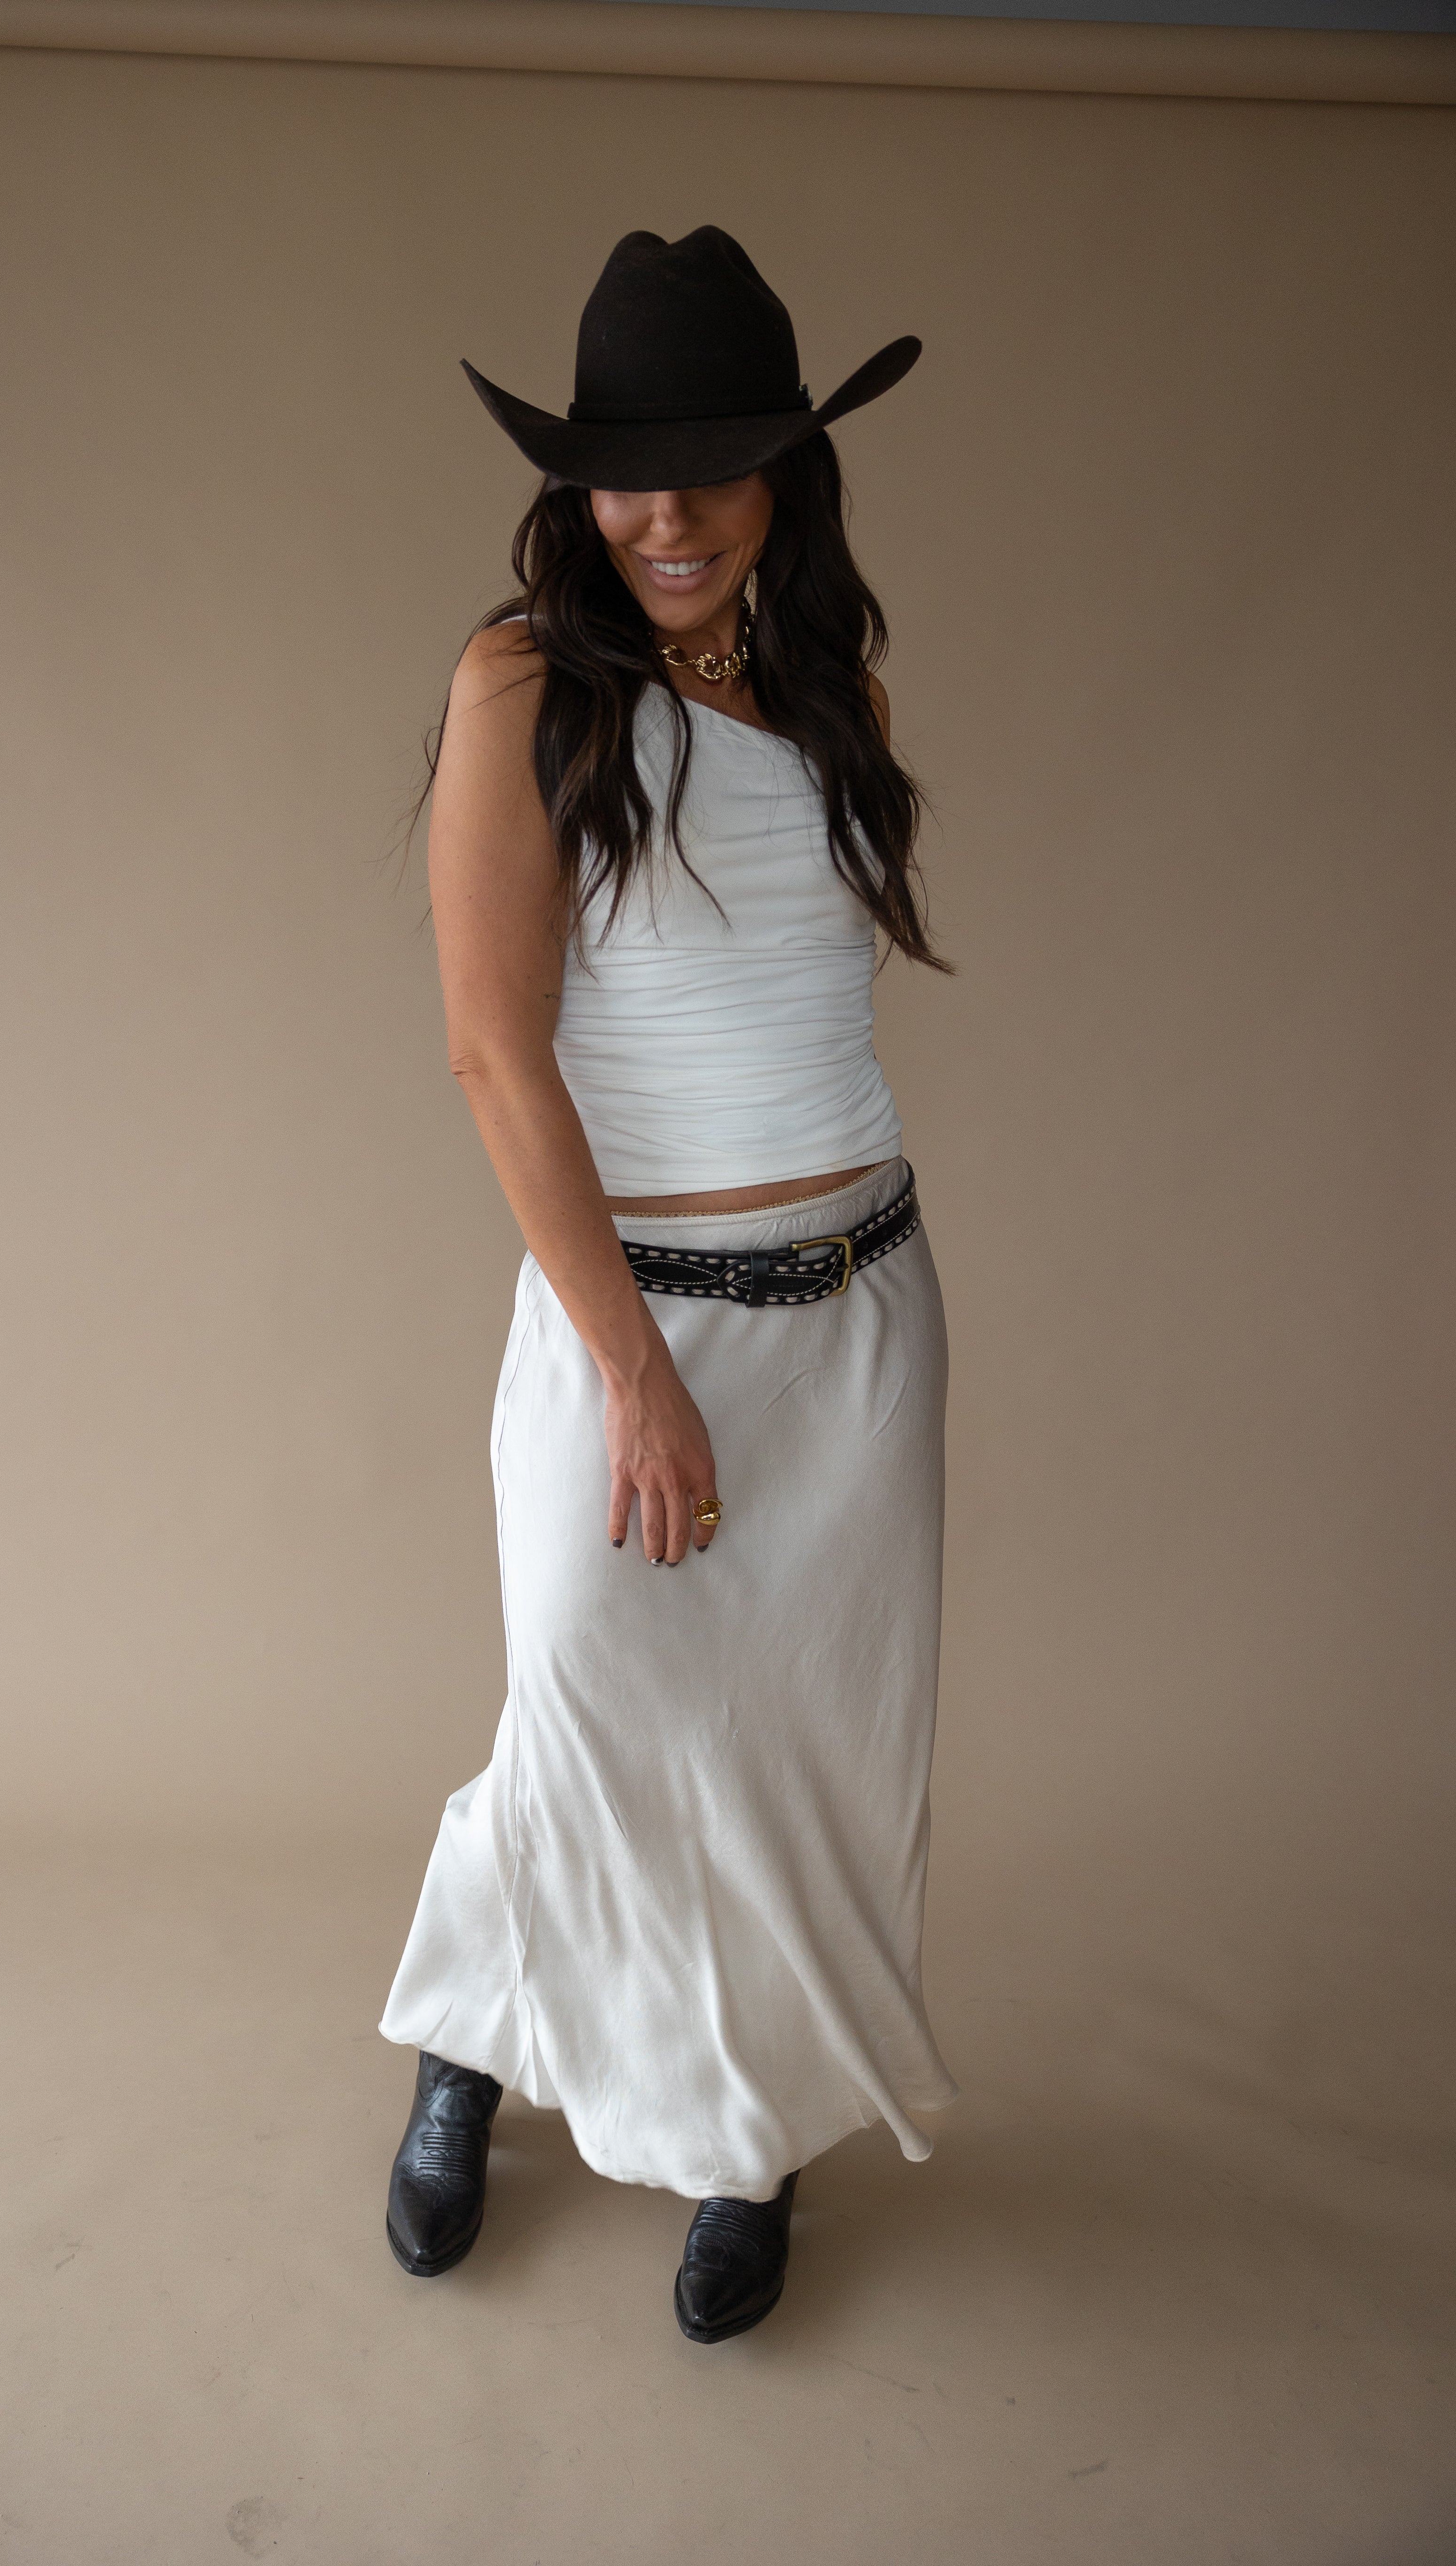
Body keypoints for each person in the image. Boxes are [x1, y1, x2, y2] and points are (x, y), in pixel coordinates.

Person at [379, 227, 959, 2344]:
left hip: (867, 1319)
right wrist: (632, 1372)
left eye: (722, 467)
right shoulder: (524, 686)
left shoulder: (836, 691)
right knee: (595, 1716)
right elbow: (491, 1050)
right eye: (633, 470)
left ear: (789, 478)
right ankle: (472, 2035)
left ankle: (747, 2134)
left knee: (805, 1743)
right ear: (576, 485)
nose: (675, 514)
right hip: (645, 1318)